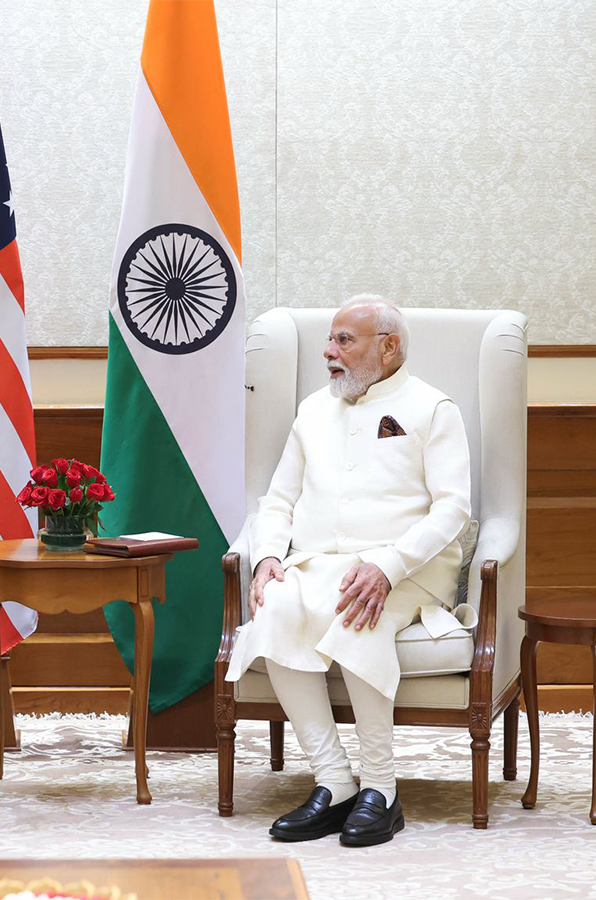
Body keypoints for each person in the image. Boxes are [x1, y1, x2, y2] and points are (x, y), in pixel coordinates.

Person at [226, 295, 471, 846]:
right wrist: (267, 557)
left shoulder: (434, 408)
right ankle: (335, 782)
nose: (328, 352)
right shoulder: (313, 410)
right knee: (277, 606)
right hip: (320, 563)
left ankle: (381, 790)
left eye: (344, 341)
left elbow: (452, 509)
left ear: (388, 347)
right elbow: (278, 498)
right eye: (330, 340)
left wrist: (385, 566)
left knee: (359, 607)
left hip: (409, 567)